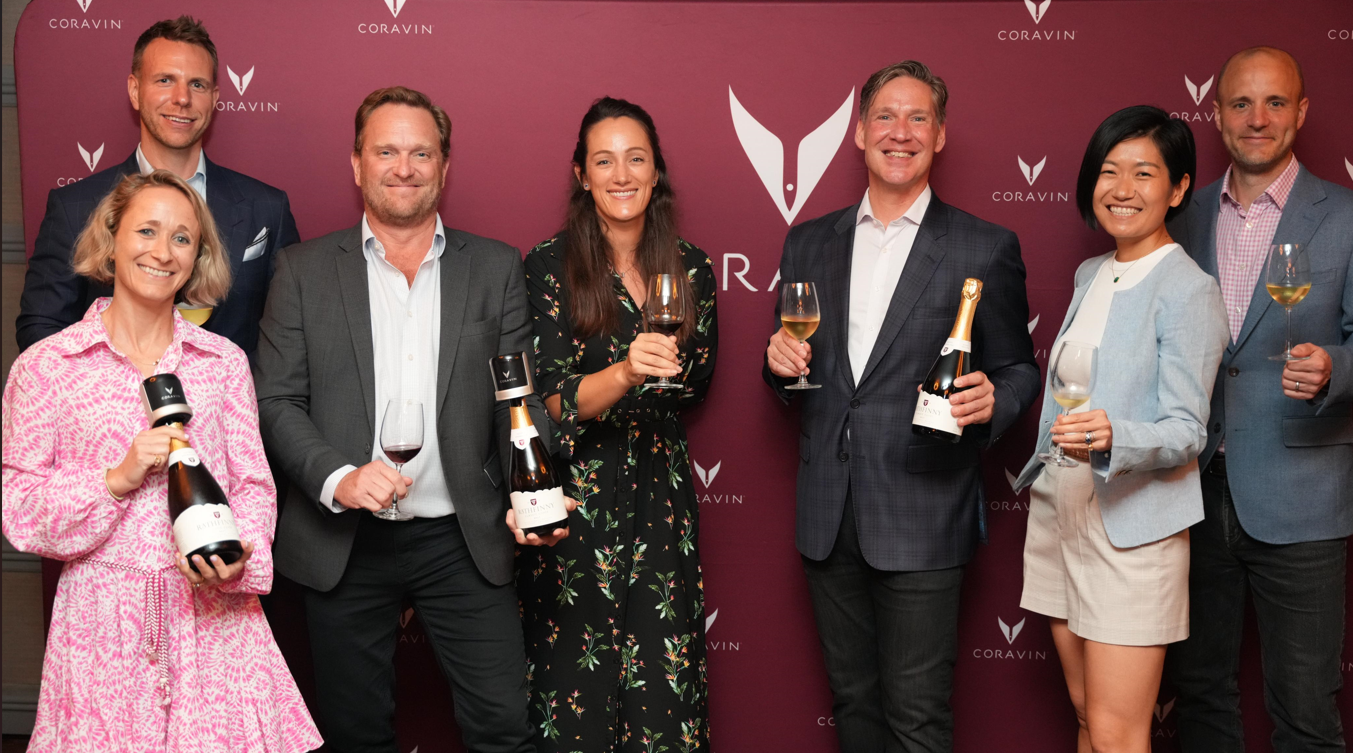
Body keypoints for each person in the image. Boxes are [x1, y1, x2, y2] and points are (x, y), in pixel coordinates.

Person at [254, 86, 551, 753]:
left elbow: (518, 404)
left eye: (421, 152)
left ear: (444, 166)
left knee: (504, 729)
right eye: (386, 151)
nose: (404, 167)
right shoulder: (301, 271)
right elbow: (274, 401)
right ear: (357, 163)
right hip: (344, 540)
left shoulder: (496, 267)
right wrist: (339, 477)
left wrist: (530, 497)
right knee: (355, 736)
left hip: (461, 537)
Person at [762, 60, 1040, 752]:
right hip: (828, 513)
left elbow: (1018, 369)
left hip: (923, 510)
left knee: (916, 718)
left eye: (919, 118)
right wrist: (776, 365)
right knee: (854, 706)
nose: (901, 132)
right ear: (859, 132)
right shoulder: (808, 241)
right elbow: (794, 366)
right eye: (885, 116)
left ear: (940, 135)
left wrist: (994, 399)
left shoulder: (983, 245)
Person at [1, 170, 321, 752]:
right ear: (111, 238)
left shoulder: (222, 363)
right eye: (146, 230)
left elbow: (253, 485)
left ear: (197, 257)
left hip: (215, 624)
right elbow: (20, 508)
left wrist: (237, 557)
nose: (163, 251)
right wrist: (115, 480)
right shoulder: (48, 367)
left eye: (182, 238)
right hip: (100, 631)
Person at [1012, 105, 1228, 753]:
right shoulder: (1091, 272)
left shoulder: (1189, 289)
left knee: (1117, 733)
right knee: (1087, 717)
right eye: (1109, 171)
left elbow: (1187, 429)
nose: (1122, 188)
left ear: (1178, 188)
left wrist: (1115, 436)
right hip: (1061, 512)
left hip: (1131, 529)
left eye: (1144, 173)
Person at [1164, 46, 1353, 753]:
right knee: (1200, 697)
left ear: (1300, 112)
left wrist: (1334, 367)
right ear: (1215, 115)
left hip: (1302, 493)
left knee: (1304, 709)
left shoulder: (1346, 215)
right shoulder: (1179, 216)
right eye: (1240, 103)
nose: (1257, 118)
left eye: (1275, 102)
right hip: (1189, 491)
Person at [517, 96, 718, 753]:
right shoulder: (548, 265)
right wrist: (627, 371)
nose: (622, 174)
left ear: (657, 171)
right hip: (578, 504)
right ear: (581, 174)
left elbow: (696, 381)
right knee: (573, 693)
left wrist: (658, 375)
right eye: (604, 161)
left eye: (636, 158)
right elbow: (550, 401)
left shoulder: (690, 265)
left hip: (662, 501)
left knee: (664, 697)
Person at [17, 15, 299, 357]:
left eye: (197, 85)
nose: (182, 98)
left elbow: (289, 337)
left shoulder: (267, 208)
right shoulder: (74, 207)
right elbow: (42, 329)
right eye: (165, 80)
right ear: (135, 91)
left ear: (214, 98)